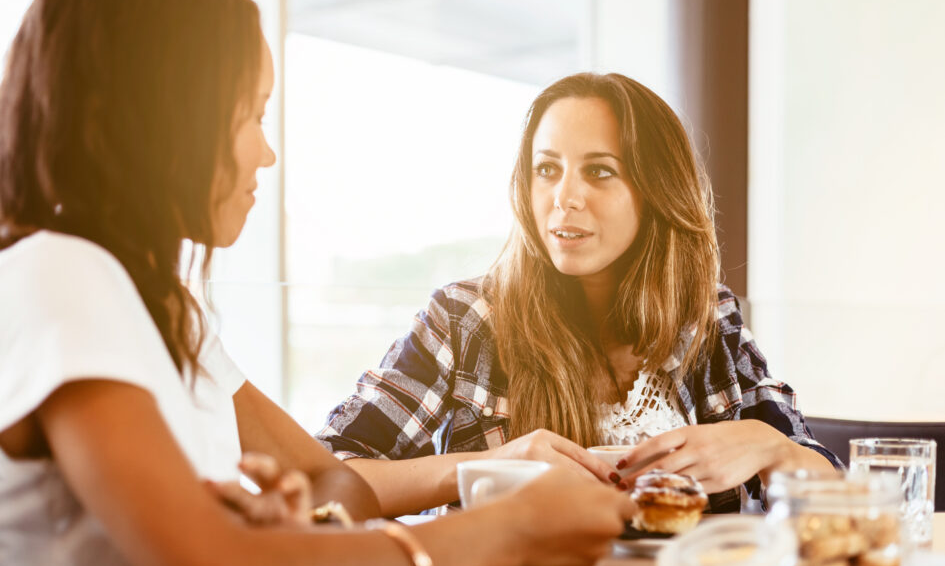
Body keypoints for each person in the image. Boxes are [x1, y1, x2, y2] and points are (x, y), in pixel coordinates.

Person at [0, 0, 635, 566]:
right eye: (252, 113)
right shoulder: (64, 277)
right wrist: (510, 526)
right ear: (165, 118)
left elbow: (331, 479)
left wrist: (295, 530)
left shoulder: (165, 309)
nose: (266, 151)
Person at [317, 72, 843, 517]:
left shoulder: (707, 317)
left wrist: (768, 447)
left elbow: (838, 496)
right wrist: (487, 469)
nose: (564, 198)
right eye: (547, 170)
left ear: (656, 190)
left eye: (599, 171)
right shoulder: (463, 317)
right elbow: (328, 476)